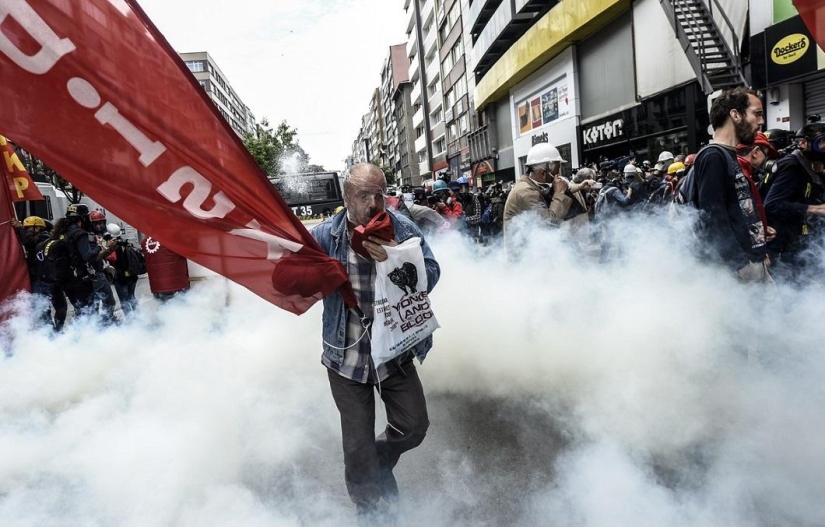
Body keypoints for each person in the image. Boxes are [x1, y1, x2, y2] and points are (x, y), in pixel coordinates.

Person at [311, 163, 440, 518]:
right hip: (347, 354)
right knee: (356, 443)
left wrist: (400, 256)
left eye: (379, 194)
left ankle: (380, 460)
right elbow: (294, 274)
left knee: (413, 425)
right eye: (363, 195)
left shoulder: (402, 227)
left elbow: (432, 272)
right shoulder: (325, 235)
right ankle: (367, 508)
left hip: (394, 351)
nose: (372, 203)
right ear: (347, 196)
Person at [691, 87, 769, 281]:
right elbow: (713, 219)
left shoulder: (727, 155)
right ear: (735, 114)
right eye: (757, 114)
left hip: (751, 264)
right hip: (738, 272)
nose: (761, 121)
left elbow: (737, 210)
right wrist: (741, 266)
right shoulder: (713, 157)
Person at [763, 122, 825, 283]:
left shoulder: (809, 166)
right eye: (822, 142)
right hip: (784, 247)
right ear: (804, 142)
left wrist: (819, 172)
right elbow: (772, 204)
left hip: (801, 244)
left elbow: (811, 195)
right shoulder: (792, 165)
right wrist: (815, 209)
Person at [63, 204, 118, 322]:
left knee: (89, 307)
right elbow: (89, 256)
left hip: (76, 276)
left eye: (102, 223)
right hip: (92, 274)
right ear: (83, 218)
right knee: (106, 302)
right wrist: (104, 247)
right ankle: (107, 325)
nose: (100, 226)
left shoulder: (66, 232)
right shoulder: (81, 234)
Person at [503, 142, 572, 235]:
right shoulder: (527, 192)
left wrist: (580, 186)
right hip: (524, 248)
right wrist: (560, 193)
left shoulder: (528, 185)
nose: (558, 176)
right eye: (556, 172)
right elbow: (550, 224)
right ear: (543, 173)